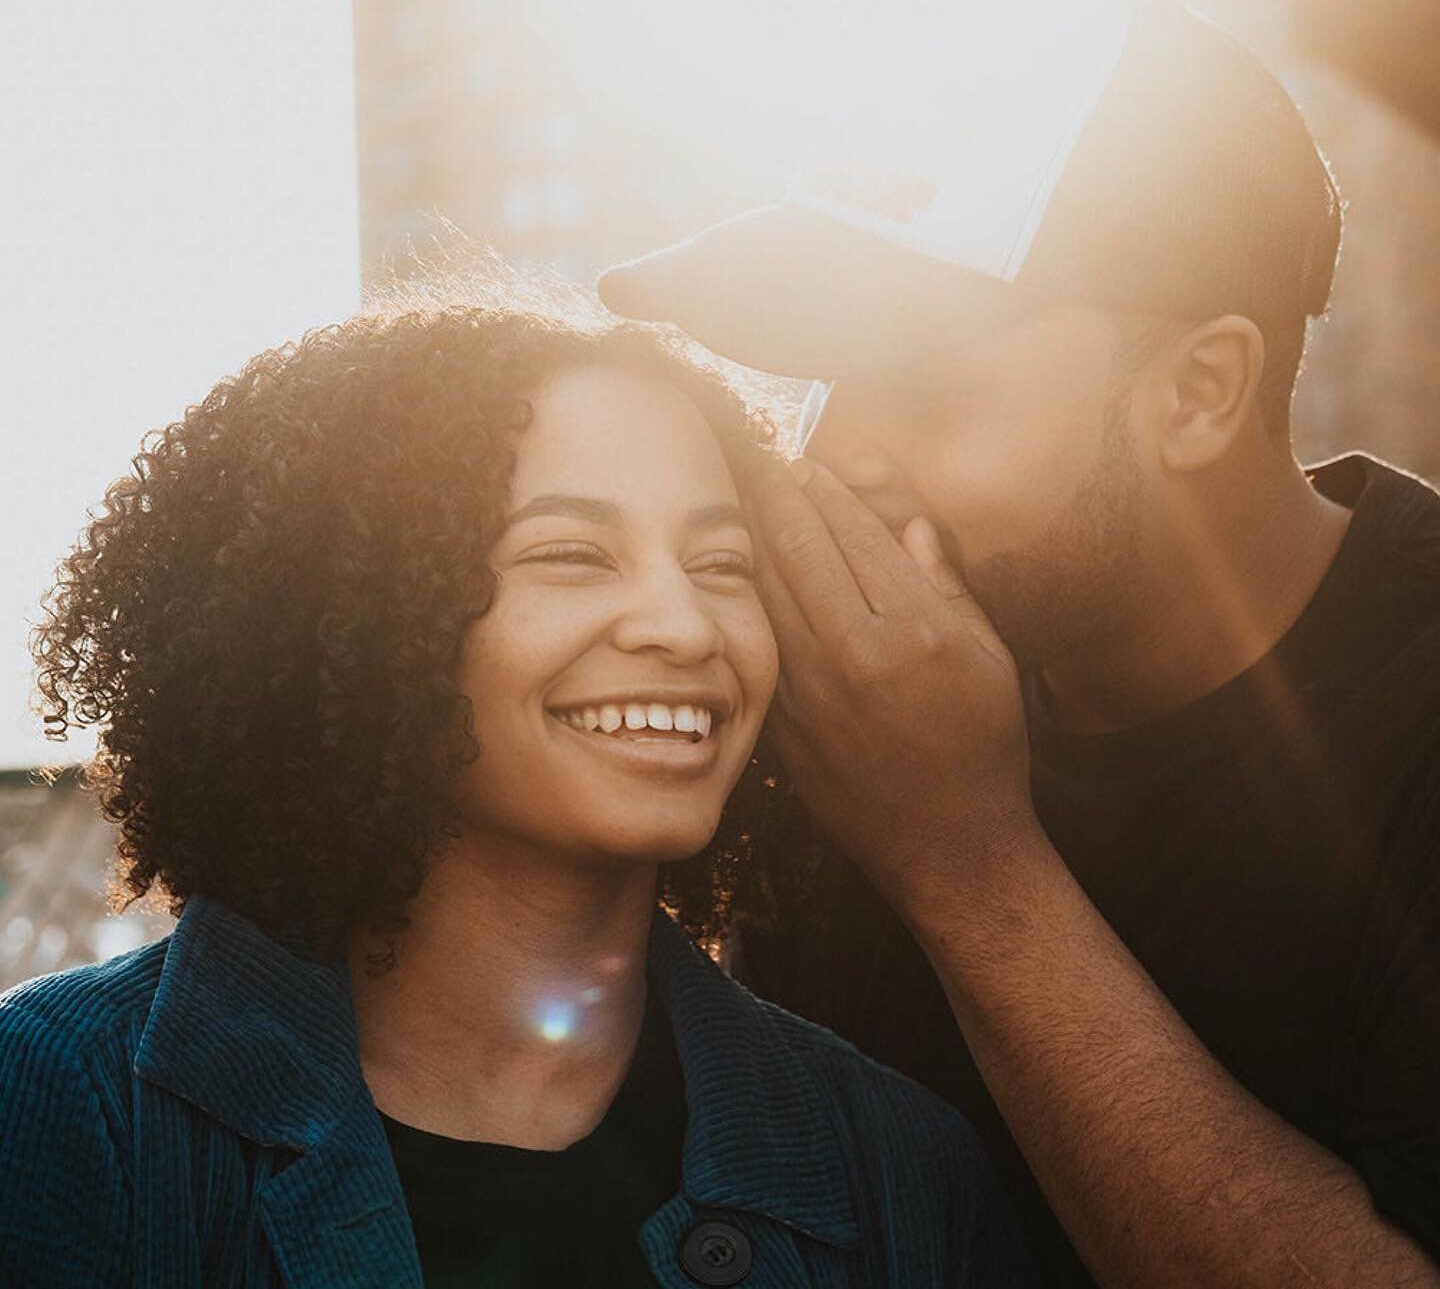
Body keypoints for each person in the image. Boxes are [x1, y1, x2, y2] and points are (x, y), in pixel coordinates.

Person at [598, 0, 1440, 1287]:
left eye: (924, 387)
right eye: (826, 377)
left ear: (1200, 392)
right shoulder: (848, 695)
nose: (838, 459)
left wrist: (963, 861)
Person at [0, 303, 1035, 1287]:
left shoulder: (896, 1167)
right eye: (572, 554)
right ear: (349, 621)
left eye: (725, 564)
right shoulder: (55, 1104)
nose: (684, 627)